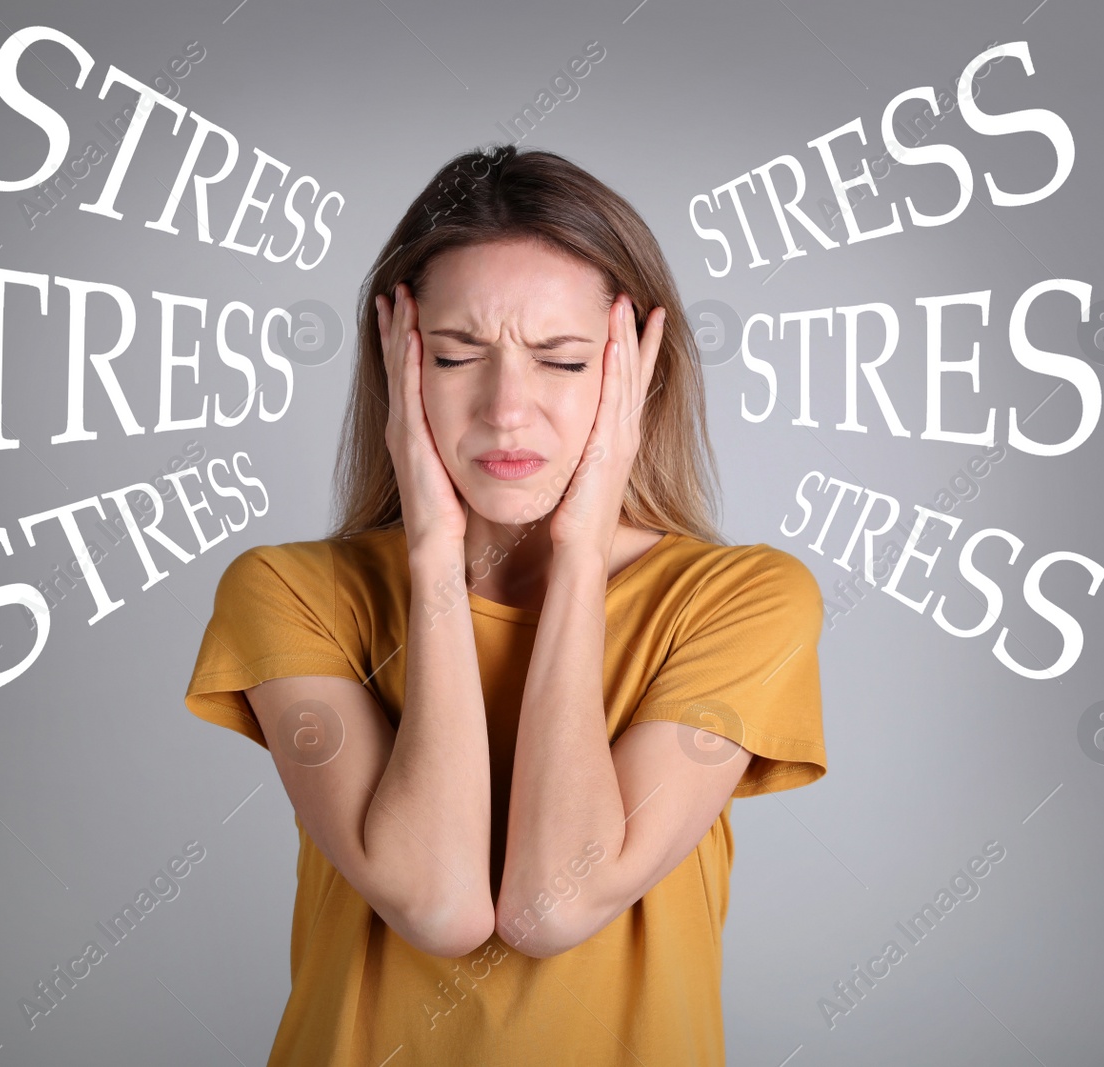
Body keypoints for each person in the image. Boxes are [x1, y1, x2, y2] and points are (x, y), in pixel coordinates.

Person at [183, 144, 827, 1065]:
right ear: (398, 369)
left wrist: (576, 557)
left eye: (563, 362)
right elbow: (439, 904)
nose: (507, 407)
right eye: (455, 355)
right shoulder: (290, 591)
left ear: (637, 374)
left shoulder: (743, 601)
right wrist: (436, 555)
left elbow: (551, 903)